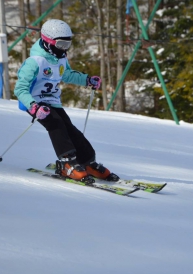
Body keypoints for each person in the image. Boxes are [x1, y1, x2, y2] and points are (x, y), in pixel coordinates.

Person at [14, 19, 118, 183]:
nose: (64, 49)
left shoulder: (60, 59)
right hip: (35, 102)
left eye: (67, 44)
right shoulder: (34, 62)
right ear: (48, 42)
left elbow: (67, 74)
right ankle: (66, 164)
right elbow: (20, 89)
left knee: (70, 129)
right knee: (57, 126)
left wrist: (87, 80)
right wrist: (33, 107)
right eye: (61, 44)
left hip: (52, 101)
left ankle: (87, 162)